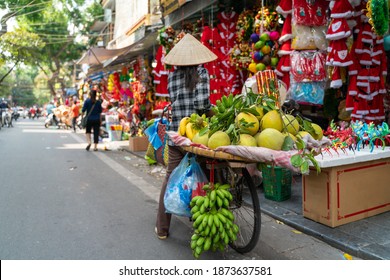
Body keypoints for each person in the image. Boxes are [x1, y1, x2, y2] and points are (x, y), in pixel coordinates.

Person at [155, 33, 217, 240]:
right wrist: (213, 111)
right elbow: (201, 105)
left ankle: (162, 228)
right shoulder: (201, 72)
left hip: (175, 136)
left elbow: (175, 102)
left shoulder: (172, 76)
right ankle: (202, 226)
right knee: (204, 180)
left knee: (170, 178)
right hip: (197, 138)